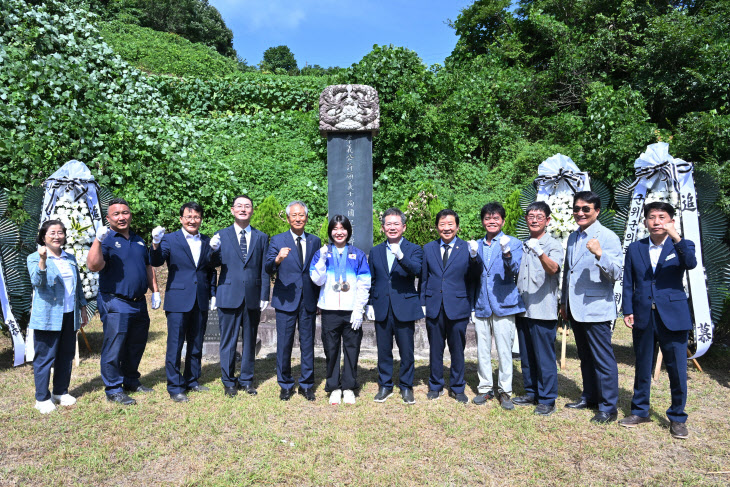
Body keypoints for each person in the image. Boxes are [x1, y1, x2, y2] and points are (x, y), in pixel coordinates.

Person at [620, 201, 697, 439]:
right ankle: (640, 410)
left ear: (671, 221)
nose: (656, 221)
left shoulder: (683, 246)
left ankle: (677, 417)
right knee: (642, 364)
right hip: (643, 314)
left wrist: (676, 237)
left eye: (662, 217)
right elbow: (628, 281)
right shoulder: (635, 248)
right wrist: (628, 309)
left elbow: (691, 263)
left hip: (673, 315)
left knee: (676, 368)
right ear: (645, 222)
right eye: (652, 217)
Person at [87, 198, 160, 406]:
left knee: (136, 344)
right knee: (115, 346)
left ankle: (130, 380)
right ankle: (113, 388)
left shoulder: (138, 239)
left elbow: (148, 266)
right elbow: (93, 265)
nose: (122, 217)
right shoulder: (107, 239)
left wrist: (155, 290)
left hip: (139, 302)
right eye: (116, 214)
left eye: (125, 213)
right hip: (115, 300)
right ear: (108, 218)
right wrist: (97, 241)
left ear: (130, 215)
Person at [560, 191, 622, 424]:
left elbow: (616, 273)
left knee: (603, 359)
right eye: (576, 209)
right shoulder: (573, 237)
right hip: (575, 308)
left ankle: (608, 407)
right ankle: (590, 396)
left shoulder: (607, 237)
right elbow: (568, 273)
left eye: (586, 209)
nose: (580, 213)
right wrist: (564, 303)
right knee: (585, 356)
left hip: (596, 308)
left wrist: (600, 254)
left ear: (597, 211)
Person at [149, 202, 217, 403]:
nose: (192, 220)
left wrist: (213, 293)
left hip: (201, 298)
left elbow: (210, 269)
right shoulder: (170, 239)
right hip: (178, 300)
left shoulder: (206, 240)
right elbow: (156, 261)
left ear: (201, 219)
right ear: (181, 219)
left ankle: (192, 380)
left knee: (196, 342)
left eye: (196, 217)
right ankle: (175, 386)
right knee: (176, 344)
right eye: (188, 217)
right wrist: (155, 244)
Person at [209, 195, 269, 398]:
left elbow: (264, 268)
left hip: (252, 296)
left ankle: (246, 380)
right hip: (228, 293)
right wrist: (212, 250)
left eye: (247, 206)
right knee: (228, 340)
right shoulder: (221, 235)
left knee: (250, 340)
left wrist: (264, 293)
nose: (243, 209)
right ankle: (228, 381)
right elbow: (211, 265)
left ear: (252, 210)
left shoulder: (261, 237)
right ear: (232, 210)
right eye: (239, 206)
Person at [27, 220, 89, 413]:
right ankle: (42, 398)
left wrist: (83, 307)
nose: (56, 236)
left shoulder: (69, 258)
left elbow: (77, 286)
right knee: (45, 357)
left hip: (69, 314)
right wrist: (43, 260)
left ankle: (60, 392)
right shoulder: (33, 257)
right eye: (52, 233)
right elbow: (37, 282)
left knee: (65, 355)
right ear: (43, 236)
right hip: (48, 316)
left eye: (60, 232)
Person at [420, 209, 481, 404]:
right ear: (437, 226)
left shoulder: (467, 248)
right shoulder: (428, 248)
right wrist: (423, 303)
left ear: (457, 226)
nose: (446, 228)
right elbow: (423, 278)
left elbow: (474, 277)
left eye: (450, 224)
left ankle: (457, 387)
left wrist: (474, 256)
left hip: (458, 306)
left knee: (457, 349)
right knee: (435, 349)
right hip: (434, 306)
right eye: (442, 224)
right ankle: (435, 385)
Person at [310, 215, 371, 405]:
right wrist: (320, 261)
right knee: (331, 350)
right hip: (329, 310)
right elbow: (316, 280)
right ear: (330, 232)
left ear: (348, 231)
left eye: (342, 228)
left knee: (352, 350)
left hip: (351, 310)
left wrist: (358, 309)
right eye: (335, 229)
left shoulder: (358, 254)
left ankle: (349, 387)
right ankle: (334, 387)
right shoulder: (322, 252)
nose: (339, 232)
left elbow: (364, 283)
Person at [265, 201, 321, 402]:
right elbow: (268, 267)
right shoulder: (278, 240)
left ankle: (306, 385)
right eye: (294, 215)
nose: (298, 218)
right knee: (284, 344)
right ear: (288, 218)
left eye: (302, 215)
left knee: (308, 343)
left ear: (306, 217)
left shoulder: (315, 241)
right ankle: (286, 384)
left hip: (308, 300)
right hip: (286, 299)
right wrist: (278, 259)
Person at [471, 202, 525, 410]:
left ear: (502, 221)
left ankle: (505, 390)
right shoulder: (477, 243)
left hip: (504, 302)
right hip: (482, 303)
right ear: (483, 221)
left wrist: (507, 252)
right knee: (482, 350)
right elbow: (474, 275)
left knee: (504, 350)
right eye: (487, 218)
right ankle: (485, 388)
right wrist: (473, 257)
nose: (491, 222)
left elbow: (515, 269)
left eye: (495, 218)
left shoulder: (513, 242)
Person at [367, 208, 423, 405]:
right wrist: (370, 304)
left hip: (404, 307)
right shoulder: (375, 251)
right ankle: (385, 385)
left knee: (406, 350)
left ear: (404, 227)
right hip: (382, 306)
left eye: (396, 224)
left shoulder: (414, 249)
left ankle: (406, 386)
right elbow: (372, 280)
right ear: (383, 228)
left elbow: (417, 270)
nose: (392, 227)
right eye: (388, 224)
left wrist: (400, 256)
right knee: (383, 350)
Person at [514, 201, 563, 416]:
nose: (534, 220)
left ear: (548, 220)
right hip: (523, 308)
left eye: (539, 216)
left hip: (543, 309)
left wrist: (540, 252)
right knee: (527, 354)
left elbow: (554, 269)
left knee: (544, 356)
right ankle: (531, 391)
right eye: (530, 216)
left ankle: (547, 398)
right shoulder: (524, 244)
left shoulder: (553, 244)